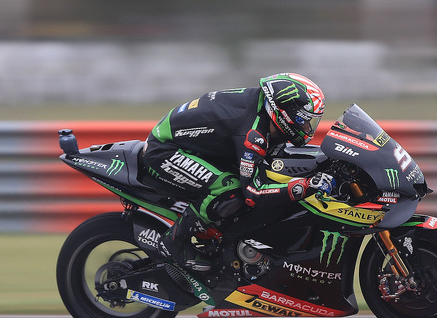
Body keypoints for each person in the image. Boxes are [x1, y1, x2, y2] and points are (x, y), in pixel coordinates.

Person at [141, 72, 334, 274]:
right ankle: (174, 242)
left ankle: (217, 235)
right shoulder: (252, 133)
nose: (307, 127)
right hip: (165, 150)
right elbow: (254, 193)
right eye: (303, 120)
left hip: (191, 144)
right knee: (230, 189)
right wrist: (303, 187)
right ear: (284, 113)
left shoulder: (265, 110)